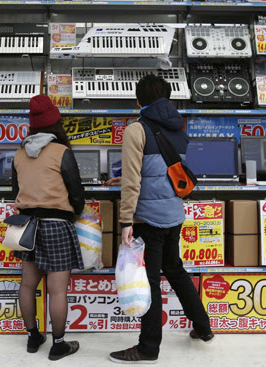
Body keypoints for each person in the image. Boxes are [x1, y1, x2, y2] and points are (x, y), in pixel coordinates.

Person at [109, 75, 214, 364]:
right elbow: (161, 169)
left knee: (151, 282)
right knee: (176, 270)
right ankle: (203, 327)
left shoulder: (136, 129)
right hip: (173, 213)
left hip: (148, 218)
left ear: (139, 99)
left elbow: (132, 181)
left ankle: (148, 348)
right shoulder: (179, 127)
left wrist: (126, 221)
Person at [12, 94, 85, 361]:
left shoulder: (19, 154)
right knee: (57, 289)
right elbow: (77, 194)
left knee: (27, 285)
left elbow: (15, 192)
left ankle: (33, 337)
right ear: (56, 122)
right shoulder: (62, 152)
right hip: (56, 224)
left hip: (26, 224)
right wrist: (74, 213)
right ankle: (59, 344)